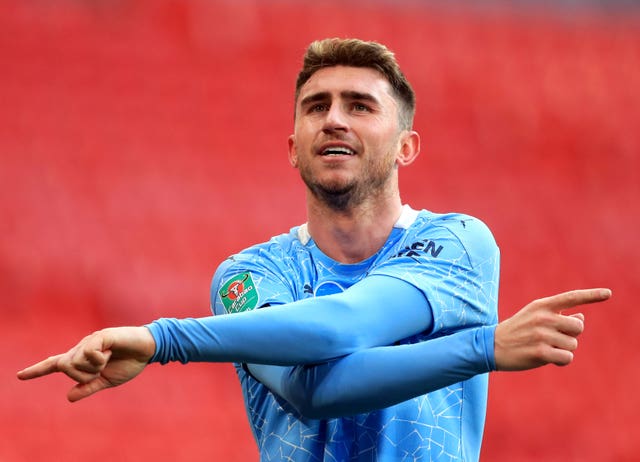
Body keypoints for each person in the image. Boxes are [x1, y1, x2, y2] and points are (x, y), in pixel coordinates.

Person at [17, 38, 612, 461]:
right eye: (316, 106)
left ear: (406, 147)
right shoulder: (247, 276)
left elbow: (345, 328)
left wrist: (164, 339)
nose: (334, 120)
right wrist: (483, 348)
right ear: (293, 147)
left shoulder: (458, 242)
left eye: (360, 105)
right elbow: (314, 388)